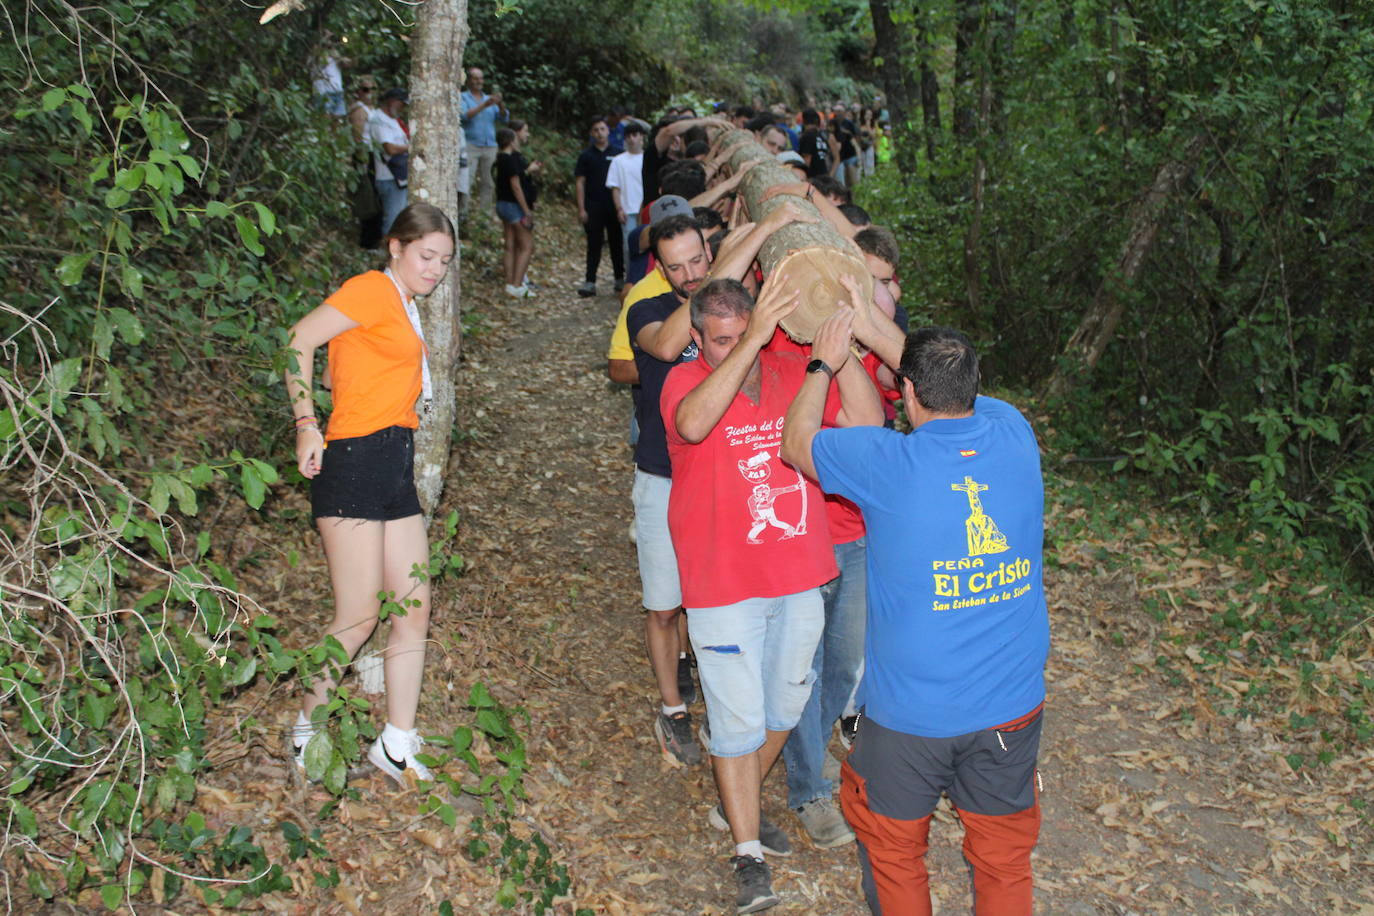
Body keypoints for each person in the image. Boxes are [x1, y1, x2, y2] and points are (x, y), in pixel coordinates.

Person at [781, 296, 1050, 916]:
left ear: (905, 392)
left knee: (894, 850)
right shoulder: (1014, 433)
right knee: (1005, 857)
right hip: (1010, 707)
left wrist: (823, 364)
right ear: (976, 386)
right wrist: (863, 322)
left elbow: (798, 443)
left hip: (910, 721)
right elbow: (940, 382)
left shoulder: (887, 462)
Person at [661, 277, 881, 914]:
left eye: (745, 333)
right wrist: (751, 342)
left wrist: (844, 356)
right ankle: (749, 856)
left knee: (787, 705)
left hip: (798, 574)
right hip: (722, 583)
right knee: (736, 719)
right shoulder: (686, 382)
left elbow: (866, 422)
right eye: (721, 340)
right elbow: (695, 425)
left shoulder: (793, 369)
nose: (735, 349)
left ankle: (741, 804)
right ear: (698, 338)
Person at [285, 202, 456, 788]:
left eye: (444, 262)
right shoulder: (370, 289)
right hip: (354, 464)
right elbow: (298, 339)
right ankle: (307, 730)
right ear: (396, 248)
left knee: (413, 607)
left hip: (395, 467)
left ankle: (397, 743)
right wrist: (307, 423)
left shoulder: (403, 307)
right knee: (357, 616)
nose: (435, 269)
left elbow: (345, 368)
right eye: (426, 256)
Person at [575, 116, 625, 298]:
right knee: (594, 244)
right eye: (596, 130)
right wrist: (581, 208)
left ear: (608, 131)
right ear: (591, 133)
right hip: (593, 205)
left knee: (616, 243)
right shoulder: (586, 156)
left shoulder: (619, 153)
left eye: (602, 129)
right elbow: (580, 182)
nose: (600, 133)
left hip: (614, 206)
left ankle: (620, 278)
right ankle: (590, 281)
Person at [494, 122, 541, 298]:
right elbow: (516, 186)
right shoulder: (510, 159)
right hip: (514, 207)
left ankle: (510, 283)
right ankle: (517, 283)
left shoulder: (500, 158)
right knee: (526, 245)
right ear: (511, 141)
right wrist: (526, 210)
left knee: (510, 244)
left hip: (502, 204)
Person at [459, 67, 508, 216]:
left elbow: (504, 118)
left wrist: (500, 104)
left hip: (490, 146)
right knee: (467, 181)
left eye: (481, 78)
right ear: (468, 80)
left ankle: (484, 216)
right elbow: (465, 116)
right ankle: (463, 214)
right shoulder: (463, 97)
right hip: (470, 145)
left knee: (488, 183)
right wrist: (484, 105)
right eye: (475, 78)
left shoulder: (489, 98)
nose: (479, 81)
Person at [606, 121, 647, 279]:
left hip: (645, 209)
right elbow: (615, 187)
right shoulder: (618, 161)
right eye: (628, 136)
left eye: (635, 135)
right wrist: (619, 208)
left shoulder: (647, 158)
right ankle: (631, 278)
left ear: (641, 137)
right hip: (628, 209)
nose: (632, 139)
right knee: (630, 247)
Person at [367, 88, 410, 234]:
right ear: (392, 102)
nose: (403, 108)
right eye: (402, 104)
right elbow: (389, 148)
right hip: (388, 177)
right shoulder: (378, 120)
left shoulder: (393, 120)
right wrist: (411, 148)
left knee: (400, 217)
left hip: (400, 175)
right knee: (393, 218)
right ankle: (388, 252)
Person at [798, 108, 836, 179]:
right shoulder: (822, 136)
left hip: (813, 177)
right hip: (824, 174)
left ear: (803, 121)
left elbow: (806, 158)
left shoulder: (807, 136)